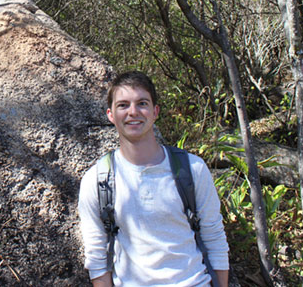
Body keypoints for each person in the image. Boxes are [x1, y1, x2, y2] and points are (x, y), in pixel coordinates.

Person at [78, 71, 229, 286]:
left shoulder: (192, 169)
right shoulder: (96, 180)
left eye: (142, 103)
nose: (133, 112)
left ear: (155, 111)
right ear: (110, 115)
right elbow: (96, 257)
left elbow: (214, 238)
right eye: (123, 105)